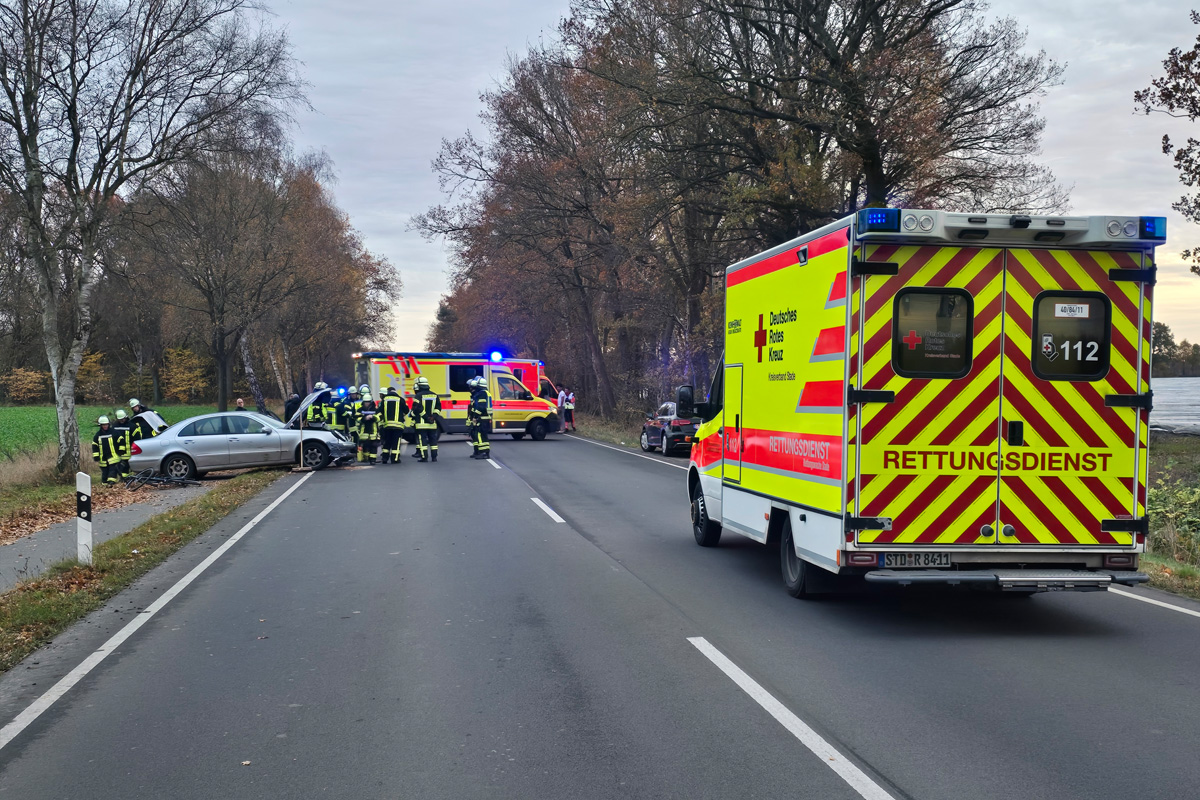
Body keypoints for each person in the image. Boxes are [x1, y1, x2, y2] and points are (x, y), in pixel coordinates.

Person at [409, 376, 443, 462]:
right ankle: (434, 457)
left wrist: (426, 417)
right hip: (432, 423)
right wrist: (433, 417)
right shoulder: (434, 395)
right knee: (433, 441)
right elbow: (438, 408)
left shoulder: (418, 395)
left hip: (421, 424)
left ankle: (424, 457)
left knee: (423, 441)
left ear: (419, 386)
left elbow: (417, 408)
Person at [379, 386, 408, 464]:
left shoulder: (384, 400)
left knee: (387, 441)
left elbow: (379, 411)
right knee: (396, 442)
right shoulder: (401, 399)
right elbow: (407, 410)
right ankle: (394, 459)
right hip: (398, 426)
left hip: (387, 425)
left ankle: (385, 458)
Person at [92, 416, 123, 486]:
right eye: (103, 425)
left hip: (113, 456)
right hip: (103, 458)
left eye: (106, 424)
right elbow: (95, 446)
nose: (105, 426)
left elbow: (121, 440)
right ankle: (105, 486)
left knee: (113, 471)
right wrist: (96, 456)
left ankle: (111, 483)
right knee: (104, 473)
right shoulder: (97, 435)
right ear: (100, 425)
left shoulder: (114, 432)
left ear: (109, 424)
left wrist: (121, 450)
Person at [467, 376, 492, 459]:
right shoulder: (485, 392)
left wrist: (475, 416)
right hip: (484, 417)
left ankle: (484, 452)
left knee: (481, 435)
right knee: (480, 435)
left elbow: (481, 406)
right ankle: (481, 452)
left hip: (482, 417)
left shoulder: (482, 393)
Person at [357, 393, 380, 463]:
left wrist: (373, 417)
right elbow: (357, 418)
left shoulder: (375, 409)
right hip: (364, 432)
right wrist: (364, 418)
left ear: (371, 402)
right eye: (365, 402)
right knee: (365, 446)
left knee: (374, 446)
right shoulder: (360, 410)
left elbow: (379, 418)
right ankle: (366, 458)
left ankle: (373, 460)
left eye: (368, 402)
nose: (367, 403)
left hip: (373, 431)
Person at [111, 409, 134, 479]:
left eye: (123, 419)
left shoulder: (131, 426)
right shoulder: (114, 426)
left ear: (126, 417)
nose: (122, 421)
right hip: (116, 450)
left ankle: (124, 479)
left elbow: (135, 437)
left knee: (126, 466)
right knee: (117, 465)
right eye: (120, 419)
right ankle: (121, 478)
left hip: (128, 450)